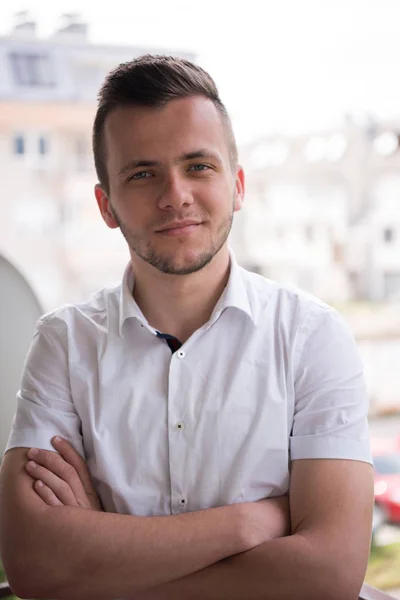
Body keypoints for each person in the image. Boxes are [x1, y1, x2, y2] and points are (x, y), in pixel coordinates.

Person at [0, 54, 373, 600]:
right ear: (106, 205)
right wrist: (249, 524)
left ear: (238, 185)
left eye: (198, 166)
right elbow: (34, 566)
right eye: (143, 173)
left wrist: (102, 566)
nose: (175, 195)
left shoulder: (313, 337)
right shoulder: (63, 343)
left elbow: (330, 574)